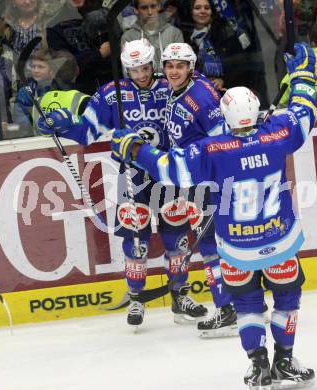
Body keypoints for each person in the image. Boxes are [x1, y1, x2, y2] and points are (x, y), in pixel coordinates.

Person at [110, 42, 317, 389]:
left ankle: (258, 366)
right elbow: (305, 110)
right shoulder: (277, 133)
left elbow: (166, 167)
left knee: (249, 307)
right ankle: (284, 360)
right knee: (286, 301)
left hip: (236, 249)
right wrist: (303, 77)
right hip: (280, 242)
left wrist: (132, 147)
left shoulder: (211, 151)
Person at [37, 38, 208, 328]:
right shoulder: (110, 93)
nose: (140, 75)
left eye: (144, 68)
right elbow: (88, 133)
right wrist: (62, 125)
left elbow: (203, 103)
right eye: (133, 70)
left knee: (177, 239)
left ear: (153, 63)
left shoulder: (172, 85)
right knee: (135, 241)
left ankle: (180, 295)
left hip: (169, 172)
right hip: (132, 175)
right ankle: (136, 298)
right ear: (125, 68)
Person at [157, 42, 239, 337]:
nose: (174, 71)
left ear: (190, 68)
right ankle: (243, 303)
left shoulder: (201, 98)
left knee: (210, 249)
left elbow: (220, 141)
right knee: (218, 246)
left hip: (206, 183)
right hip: (191, 181)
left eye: (180, 66)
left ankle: (227, 309)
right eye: (169, 65)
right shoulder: (173, 90)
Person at [47, 0, 113, 95]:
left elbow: (119, 51)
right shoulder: (55, 25)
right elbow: (64, 66)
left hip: (111, 86)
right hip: (79, 93)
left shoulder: (105, 15)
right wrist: (99, 54)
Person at [120, 0, 184, 74]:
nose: (150, 12)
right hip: (141, 84)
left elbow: (180, 68)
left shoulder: (175, 33)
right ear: (136, 10)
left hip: (170, 84)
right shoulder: (128, 37)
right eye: (144, 8)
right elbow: (128, 72)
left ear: (159, 6)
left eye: (153, 6)